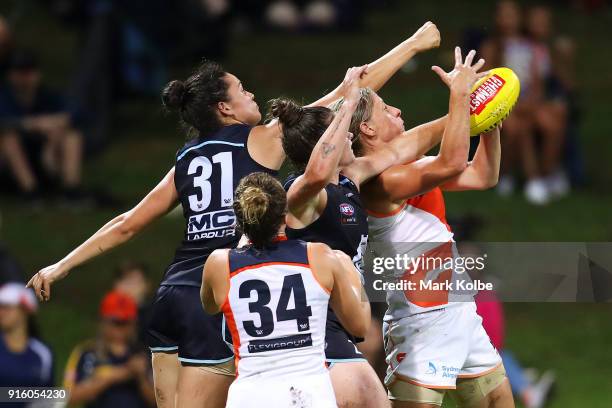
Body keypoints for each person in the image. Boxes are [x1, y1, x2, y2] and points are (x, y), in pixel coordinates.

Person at [28, 21, 443, 408]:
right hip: (216, 288)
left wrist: (62, 265)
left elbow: (128, 222)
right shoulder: (263, 139)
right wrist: (415, 43)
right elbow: (346, 95)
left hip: (172, 293)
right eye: (242, 90)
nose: (252, 95)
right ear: (225, 109)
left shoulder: (186, 159)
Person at [271, 48, 478, 408]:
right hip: (307, 332)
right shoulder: (300, 195)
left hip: (335, 328)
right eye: (340, 133)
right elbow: (318, 173)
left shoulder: (351, 178)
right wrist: (348, 102)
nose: (348, 136)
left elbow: (407, 145)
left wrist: (468, 105)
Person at [337, 48, 513, 407]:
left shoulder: (410, 167)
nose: (397, 111)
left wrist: (490, 125)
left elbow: (483, 175)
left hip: (460, 312)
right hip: (423, 323)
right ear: (367, 129)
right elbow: (450, 162)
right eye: (386, 109)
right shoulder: (378, 181)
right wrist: (461, 98)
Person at [201, 172, 370, 407]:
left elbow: (209, 306)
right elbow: (360, 325)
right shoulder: (320, 255)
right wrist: (350, 269)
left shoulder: (219, 263)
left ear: (240, 219)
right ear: (285, 216)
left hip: (251, 396)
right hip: (309, 393)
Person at [0, 50, 86, 205]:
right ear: (10, 75)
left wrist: (54, 132)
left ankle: (71, 189)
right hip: (11, 165)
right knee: (9, 138)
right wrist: (33, 124)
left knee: (71, 135)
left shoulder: (48, 96)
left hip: (47, 157)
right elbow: (5, 122)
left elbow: (78, 113)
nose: (25, 77)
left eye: (29, 71)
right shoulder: (5, 98)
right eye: (20, 72)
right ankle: (31, 192)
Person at [64, 290, 156, 408]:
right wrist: (121, 373)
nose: (120, 329)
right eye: (115, 322)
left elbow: (161, 401)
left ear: (134, 324)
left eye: (125, 322)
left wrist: (142, 378)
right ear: (103, 322)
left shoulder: (143, 354)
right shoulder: (87, 353)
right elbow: (68, 397)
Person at [0, 283, 54, 401]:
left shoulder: (43, 354)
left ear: (25, 310)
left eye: (7, 307)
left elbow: (47, 399)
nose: (1, 312)